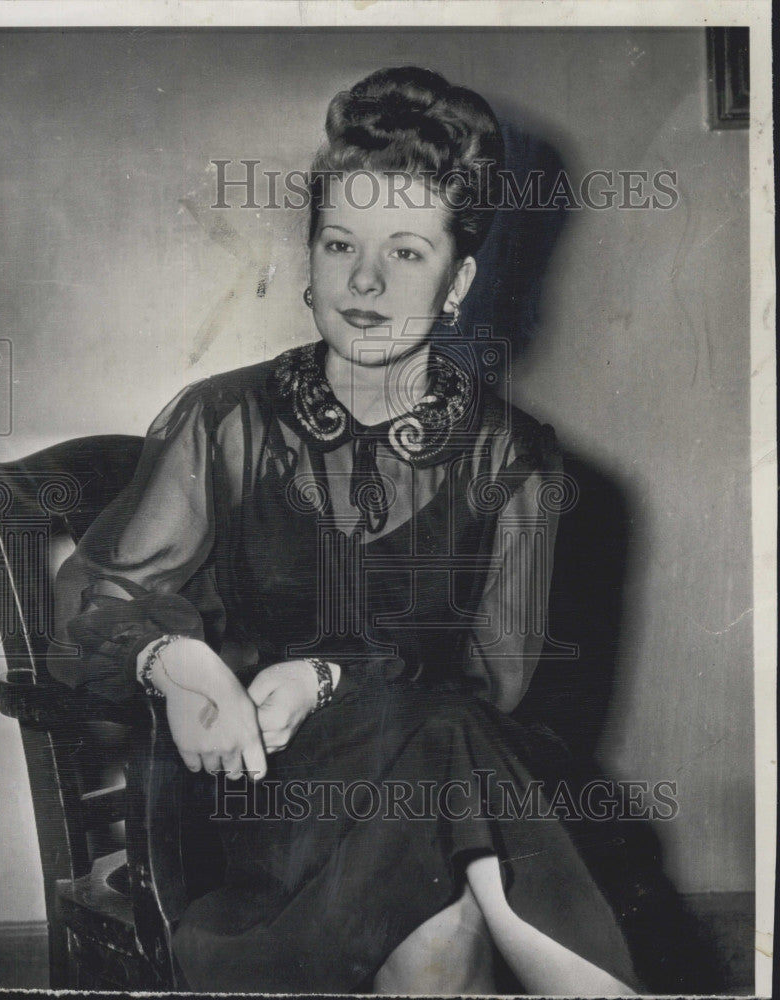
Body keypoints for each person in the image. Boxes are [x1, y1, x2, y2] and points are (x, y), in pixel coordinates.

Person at [51, 66, 641, 994]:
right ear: (310, 258)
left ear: (459, 281)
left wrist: (327, 677)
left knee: (442, 840)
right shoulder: (227, 422)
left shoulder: (511, 455)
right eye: (339, 245)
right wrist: (178, 664)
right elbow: (90, 600)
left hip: (435, 789)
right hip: (256, 795)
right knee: (450, 814)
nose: (364, 281)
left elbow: (503, 685)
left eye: (406, 253)